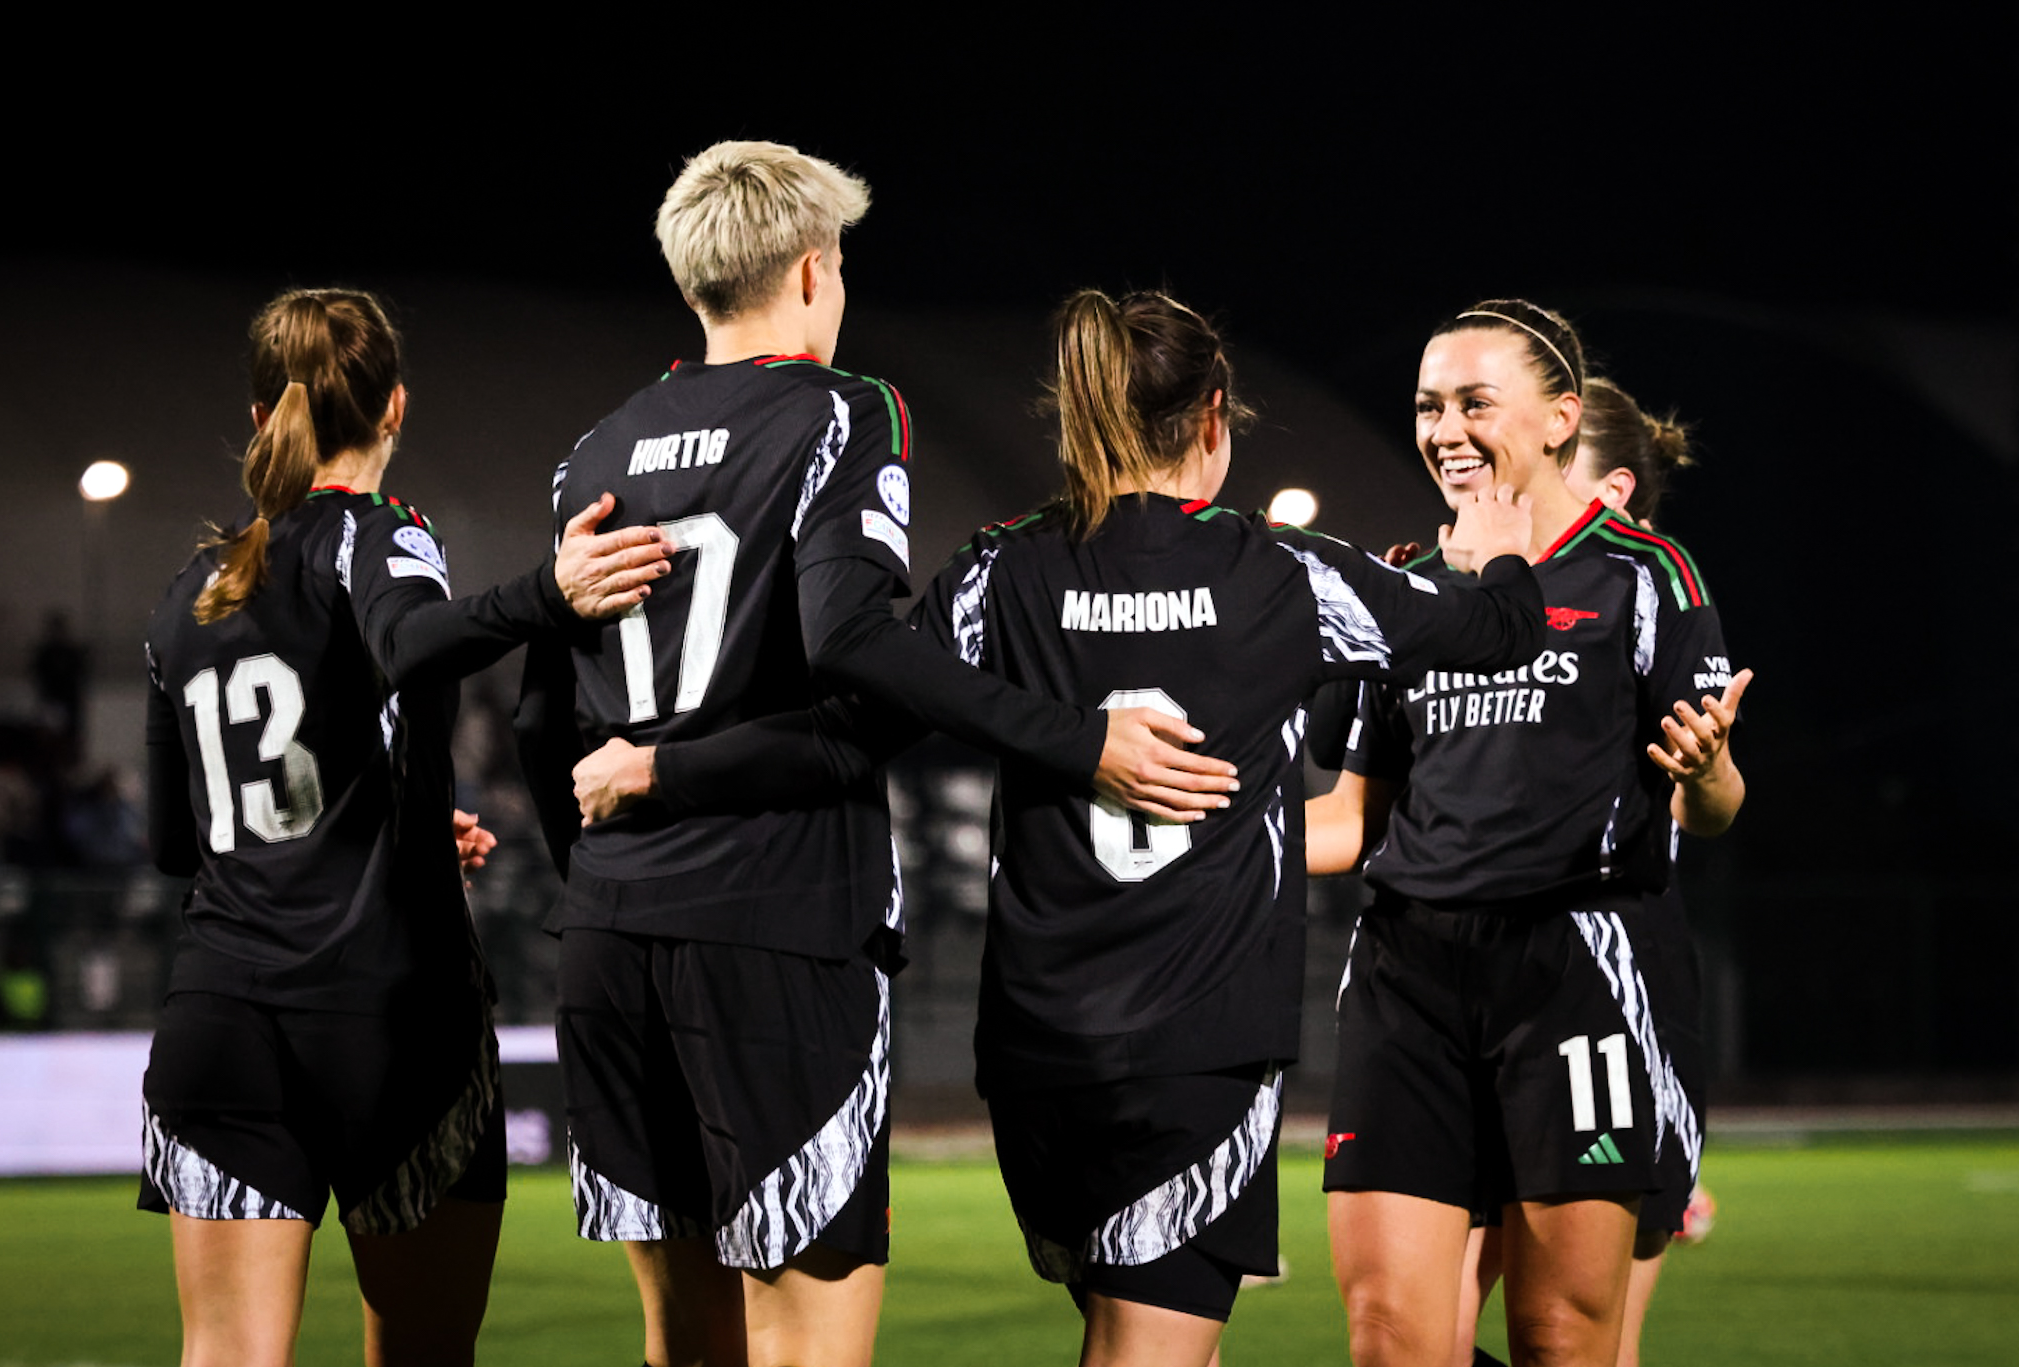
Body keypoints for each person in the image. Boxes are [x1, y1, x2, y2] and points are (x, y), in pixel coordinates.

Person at [573, 285, 1549, 1367]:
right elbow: (1499, 633)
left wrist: (661, 765)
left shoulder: (1003, 566)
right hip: (1198, 1048)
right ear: (1213, 416)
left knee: (1128, 1328)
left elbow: (842, 732)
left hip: (1039, 1055)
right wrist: (1496, 551)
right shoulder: (1280, 573)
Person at [514, 144, 1240, 1367]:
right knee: (805, 1334)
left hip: (610, 932)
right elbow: (848, 640)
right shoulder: (845, 409)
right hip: (780, 923)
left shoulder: (594, 450)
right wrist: (1078, 740)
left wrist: (591, 877)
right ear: (811, 270)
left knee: (681, 1341)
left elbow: (542, 720)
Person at [140, 286, 669, 1367]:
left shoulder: (188, 590)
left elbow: (174, 843)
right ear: (395, 410)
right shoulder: (381, 534)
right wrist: (548, 592)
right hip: (389, 1020)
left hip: (222, 1019)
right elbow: (412, 640)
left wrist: (398, 816)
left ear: (256, 417)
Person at [1309, 301, 1750, 1367]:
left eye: (1472, 402)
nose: (1444, 428)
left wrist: (1709, 767)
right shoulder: (1403, 577)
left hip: (1575, 969)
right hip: (1405, 972)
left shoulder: (1642, 574)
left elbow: (1708, 806)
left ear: (1559, 419)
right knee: (1386, 1337)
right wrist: (1197, 830)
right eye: (1426, 405)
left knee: (1558, 1334)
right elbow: (1345, 818)